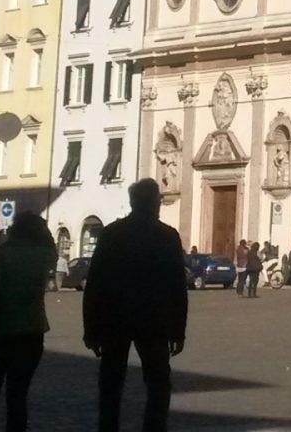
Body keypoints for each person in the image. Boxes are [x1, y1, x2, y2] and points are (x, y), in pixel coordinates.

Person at [86, 178, 190, 432]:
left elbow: (95, 283)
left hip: (115, 318)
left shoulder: (112, 233)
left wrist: (91, 328)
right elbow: (177, 286)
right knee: (158, 385)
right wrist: (178, 330)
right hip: (153, 319)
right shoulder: (167, 236)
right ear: (155, 203)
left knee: (111, 384)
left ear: (133, 202)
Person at [0, 212, 54, 432]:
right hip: (31, 330)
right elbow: (51, 247)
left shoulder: (2, 256)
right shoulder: (42, 257)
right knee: (18, 395)